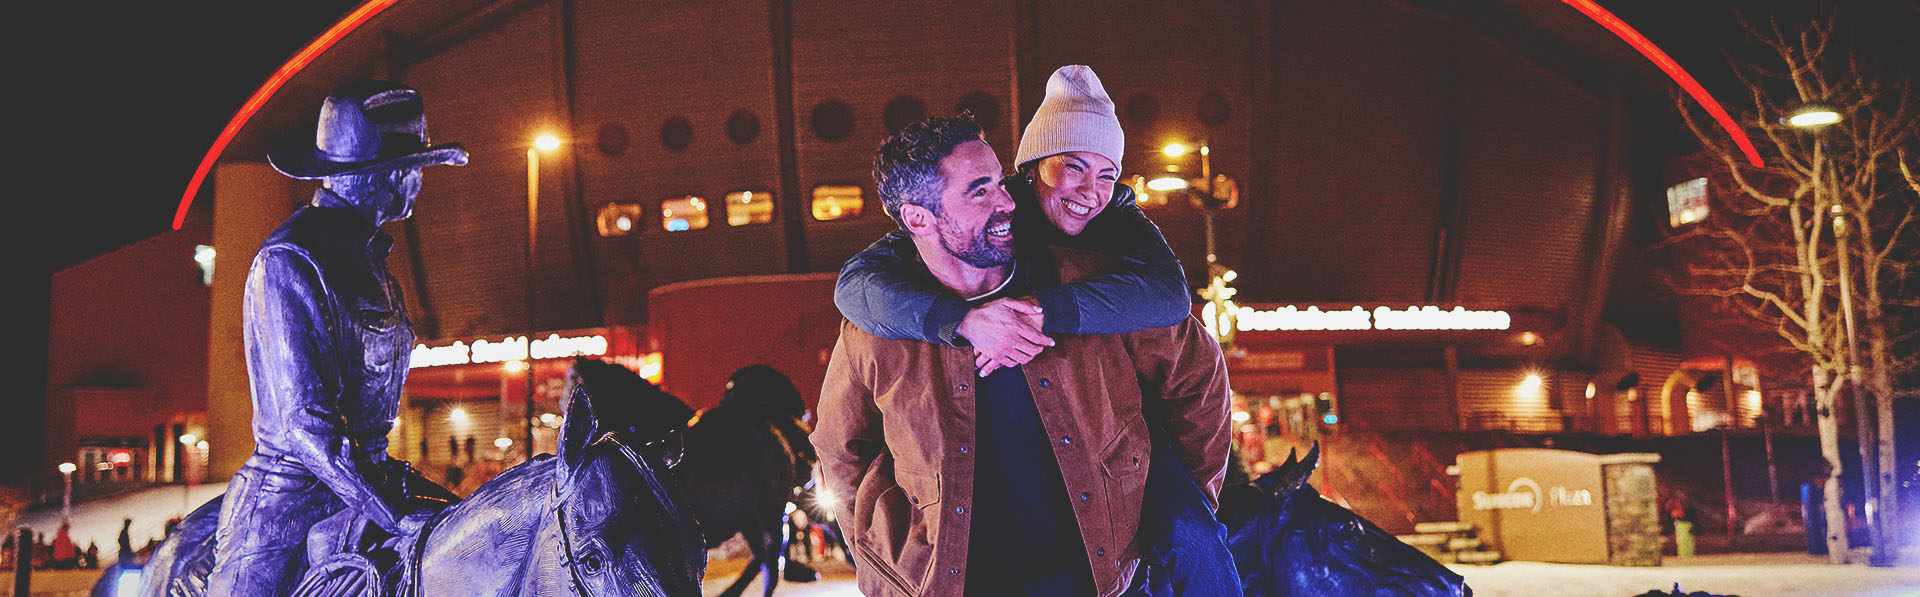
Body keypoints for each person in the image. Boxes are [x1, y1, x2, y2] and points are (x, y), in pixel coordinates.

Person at [832, 66, 1238, 595]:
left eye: (1107, 173)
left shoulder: (1112, 250)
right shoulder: (885, 308)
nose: (1090, 190)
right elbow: (842, 444)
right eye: (1072, 167)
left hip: (1094, 560)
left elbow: (1175, 313)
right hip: (955, 575)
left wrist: (1157, 491)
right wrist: (879, 550)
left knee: (1200, 548)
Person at [208, 80, 466, 595]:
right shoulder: (292, 260)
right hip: (291, 501)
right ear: (381, 176)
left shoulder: (372, 265)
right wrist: (391, 515)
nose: (417, 181)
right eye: (413, 169)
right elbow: (306, 427)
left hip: (372, 479)